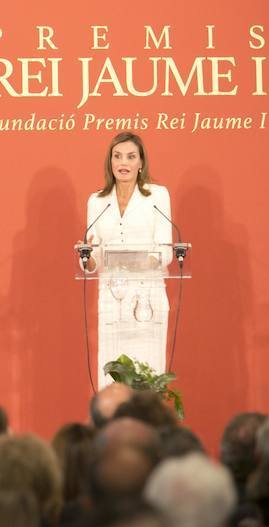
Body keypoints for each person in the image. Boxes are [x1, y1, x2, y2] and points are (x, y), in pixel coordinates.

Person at [82, 132, 173, 389]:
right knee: (112, 380)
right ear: (110, 161)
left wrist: (137, 261)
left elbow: (165, 251)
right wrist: (86, 256)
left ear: (141, 162)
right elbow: (93, 258)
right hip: (112, 299)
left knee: (147, 376)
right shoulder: (97, 201)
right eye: (118, 156)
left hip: (148, 299)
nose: (123, 163)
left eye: (131, 157)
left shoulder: (157, 196)